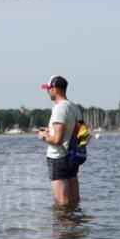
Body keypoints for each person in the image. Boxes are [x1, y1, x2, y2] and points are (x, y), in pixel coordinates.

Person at [37, 75, 82, 206]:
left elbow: (57, 140)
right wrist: (50, 130)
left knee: (62, 203)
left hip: (58, 158)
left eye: (49, 88)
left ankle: (62, 226)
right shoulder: (74, 107)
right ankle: (75, 224)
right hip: (72, 157)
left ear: (55, 88)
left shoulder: (59, 108)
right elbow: (75, 131)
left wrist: (43, 136)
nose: (47, 91)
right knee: (74, 202)